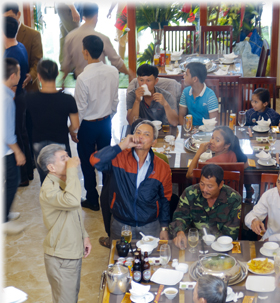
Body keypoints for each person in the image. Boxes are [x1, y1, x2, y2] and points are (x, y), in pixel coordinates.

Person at [37, 144, 92, 303]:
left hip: (71, 249)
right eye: (63, 158)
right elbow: (71, 201)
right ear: (51, 167)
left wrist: (85, 236)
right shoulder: (48, 189)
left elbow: (74, 212)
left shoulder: (60, 181)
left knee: (69, 298)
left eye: (68, 156)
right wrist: (73, 169)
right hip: (60, 256)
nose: (69, 160)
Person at [90, 120, 171, 241]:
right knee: (120, 257)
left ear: (154, 142)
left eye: (146, 134)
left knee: (149, 258)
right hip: (121, 224)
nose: (140, 137)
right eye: (138, 132)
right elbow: (95, 161)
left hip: (150, 225)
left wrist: (164, 227)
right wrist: (121, 146)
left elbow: (165, 200)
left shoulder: (162, 167)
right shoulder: (119, 157)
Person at [73, 35, 119, 212]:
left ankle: (92, 199)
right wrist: (108, 117)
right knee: (105, 161)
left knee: (86, 161)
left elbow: (80, 108)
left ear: (85, 52)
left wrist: (74, 128)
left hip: (88, 125)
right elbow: (115, 101)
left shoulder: (83, 78)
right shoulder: (113, 72)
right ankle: (109, 198)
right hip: (105, 123)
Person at [26, 59, 79, 184]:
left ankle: (48, 201)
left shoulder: (29, 98)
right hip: (60, 142)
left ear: (38, 76)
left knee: (46, 179)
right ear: (57, 75)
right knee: (63, 177)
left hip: (38, 142)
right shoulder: (67, 99)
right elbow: (75, 125)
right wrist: (70, 131)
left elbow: (26, 124)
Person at [170, 164, 242, 248]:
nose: (204, 189)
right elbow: (180, 217)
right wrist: (179, 232)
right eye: (202, 184)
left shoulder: (234, 199)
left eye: (210, 186)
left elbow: (231, 232)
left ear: (221, 184)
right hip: (195, 243)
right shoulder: (190, 193)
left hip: (222, 246)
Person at [61, 2, 131, 82]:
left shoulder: (70, 37)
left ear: (83, 17)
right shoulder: (102, 38)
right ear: (96, 16)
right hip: (99, 82)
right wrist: (130, 74)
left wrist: (63, 80)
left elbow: (66, 64)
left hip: (80, 81)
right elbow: (117, 62)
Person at [3, 16, 34, 187]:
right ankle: (28, 171)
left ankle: (22, 176)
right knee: (22, 134)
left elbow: (11, 80)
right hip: (21, 96)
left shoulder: (10, 53)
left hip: (15, 98)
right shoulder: (20, 46)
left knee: (17, 135)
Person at [3, 58, 26, 235]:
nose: (21, 75)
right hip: (5, 150)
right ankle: (4, 221)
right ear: (13, 76)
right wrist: (18, 151)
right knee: (13, 180)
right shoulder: (6, 100)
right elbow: (8, 132)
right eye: (19, 73)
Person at [3, 2, 43, 92]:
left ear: (19, 14)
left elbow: (38, 61)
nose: (7, 22)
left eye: (10, 18)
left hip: (28, 89)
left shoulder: (33, 35)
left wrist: (30, 76)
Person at [179, 62, 218, 127]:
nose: (184, 76)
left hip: (205, 132)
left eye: (187, 75)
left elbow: (214, 122)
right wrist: (186, 128)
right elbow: (181, 115)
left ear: (195, 79)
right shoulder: (186, 92)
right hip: (189, 130)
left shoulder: (210, 96)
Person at [55, 2, 82, 67]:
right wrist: (73, 9)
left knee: (64, 36)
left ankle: (64, 64)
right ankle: (76, 66)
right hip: (67, 7)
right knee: (78, 36)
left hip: (63, 6)